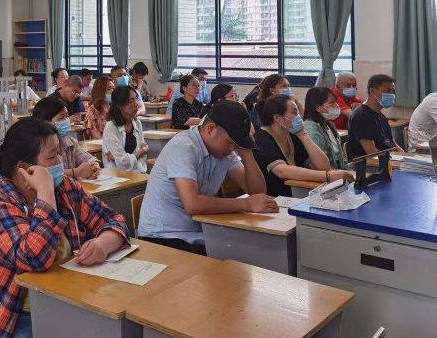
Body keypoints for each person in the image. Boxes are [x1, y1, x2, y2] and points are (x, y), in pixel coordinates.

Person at [0, 117, 129, 338]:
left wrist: (104, 243)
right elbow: (34, 257)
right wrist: (45, 192)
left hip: (64, 297)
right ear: (24, 169)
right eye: (52, 156)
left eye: (59, 153)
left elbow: (113, 218)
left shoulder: (64, 187)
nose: (61, 162)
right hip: (8, 315)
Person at [138, 101, 276, 255]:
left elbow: (257, 192)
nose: (233, 148)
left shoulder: (225, 152)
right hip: (163, 237)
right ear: (211, 129)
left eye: (237, 144)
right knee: (239, 256)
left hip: (197, 233)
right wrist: (245, 203)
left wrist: (246, 151)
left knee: (254, 248)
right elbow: (193, 204)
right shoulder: (184, 147)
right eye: (231, 142)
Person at [254, 95, 353, 197]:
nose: (299, 117)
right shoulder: (261, 139)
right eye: (294, 113)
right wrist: (327, 176)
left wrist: (303, 134)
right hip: (275, 197)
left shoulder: (292, 135)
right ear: (277, 118)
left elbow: (324, 167)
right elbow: (281, 171)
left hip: (297, 193)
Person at [32, 98, 100, 180]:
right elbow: (44, 173)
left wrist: (93, 166)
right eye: (61, 118)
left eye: (67, 116)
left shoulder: (69, 141)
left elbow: (88, 158)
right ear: (45, 122)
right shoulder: (37, 146)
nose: (67, 121)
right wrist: (76, 172)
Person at [346, 74, 405, 159]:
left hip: (388, 159)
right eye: (387, 91)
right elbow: (372, 153)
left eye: (393, 92)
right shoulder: (361, 116)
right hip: (370, 164)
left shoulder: (381, 116)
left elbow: (393, 144)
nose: (391, 95)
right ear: (372, 91)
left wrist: (406, 158)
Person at [102, 85, 148, 173]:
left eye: (136, 99)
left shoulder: (137, 123)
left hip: (138, 173)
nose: (136, 104)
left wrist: (135, 157)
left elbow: (143, 157)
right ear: (119, 106)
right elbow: (122, 163)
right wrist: (140, 152)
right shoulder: (111, 126)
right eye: (131, 101)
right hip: (117, 176)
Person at [303, 87, 347, 170]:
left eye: (336, 102)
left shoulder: (328, 124)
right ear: (318, 107)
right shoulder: (310, 128)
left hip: (337, 170)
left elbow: (339, 155)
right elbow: (317, 164)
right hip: (325, 174)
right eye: (332, 102)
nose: (337, 105)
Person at [84, 75, 113, 140]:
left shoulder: (113, 108)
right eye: (108, 89)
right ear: (100, 91)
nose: (112, 91)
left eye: (113, 88)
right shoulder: (92, 110)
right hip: (102, 143)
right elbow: (96, 136)